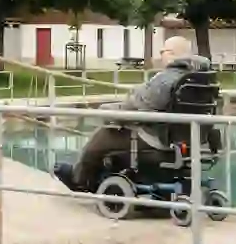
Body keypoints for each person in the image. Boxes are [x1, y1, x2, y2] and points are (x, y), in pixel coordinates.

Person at [57, 36, 211, 191]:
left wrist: (109, 111)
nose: (160, 55)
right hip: (190, 141)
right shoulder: (201, 78)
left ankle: (80, 179)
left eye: (162, 51)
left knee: (103, 135)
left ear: (171, 53)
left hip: (157, 140)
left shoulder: (167, 79)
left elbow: (139, 106)